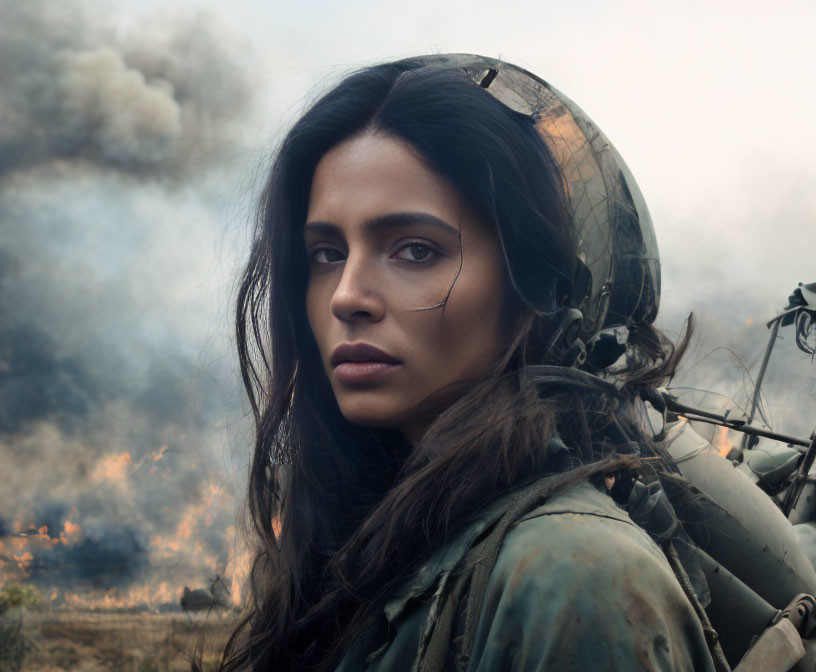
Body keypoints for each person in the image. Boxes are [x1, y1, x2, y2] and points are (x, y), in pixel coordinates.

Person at [218, 54, 721, 671]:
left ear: (534, 291)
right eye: (326, 253)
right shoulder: (367, 548)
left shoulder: (571, 580)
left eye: (415, 249)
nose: (347, 295)